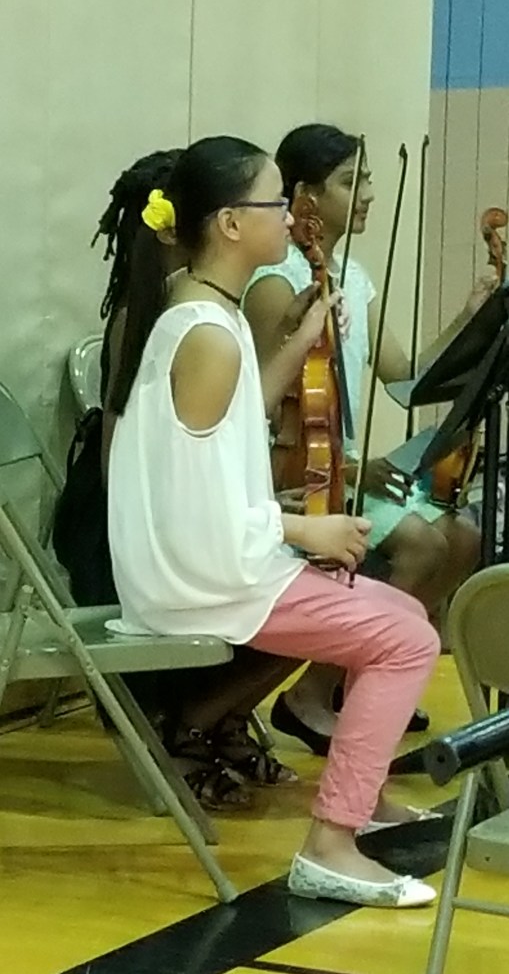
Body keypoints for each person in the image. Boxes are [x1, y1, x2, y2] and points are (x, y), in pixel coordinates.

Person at [107, 133, 440, 907]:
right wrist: (301, 529)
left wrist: (300, 338)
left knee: (400, 613)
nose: (290, 216)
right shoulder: (207, 333)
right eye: (273, 202)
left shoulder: (204, 312)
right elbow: (201, 505)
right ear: (230, 223)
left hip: (208, 558)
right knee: (408, 641)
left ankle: (361, 796)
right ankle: (329, 845)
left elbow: (231, 423)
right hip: (201, 574)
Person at [56, 149, 310, 809]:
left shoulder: (205, 309)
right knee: (307, 588)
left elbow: (225, 428)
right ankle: (193, 725)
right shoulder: (167, 316)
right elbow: (125, 464)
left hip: (171, 515)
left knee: (314, 575)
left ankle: (218, 721)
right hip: (120, 525)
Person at [243, 122, 484, 753]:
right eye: (352, 181)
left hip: (348, 462)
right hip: (299, 470)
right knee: (422, 545)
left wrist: (470, 316)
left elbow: (404, 375)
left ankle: (362, 686)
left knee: (463, 535)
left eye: (368, 179)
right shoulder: (276, 282)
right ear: (305, 197)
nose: (370, 194)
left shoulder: (354, 273)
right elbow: (270, 416)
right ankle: (310, 694)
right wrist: (354, 469)